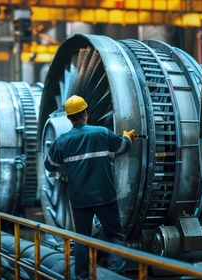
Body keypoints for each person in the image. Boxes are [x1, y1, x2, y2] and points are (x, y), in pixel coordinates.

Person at [44, 95, 135, 279]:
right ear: (86, 113)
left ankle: (81, 276)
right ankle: (116, 274)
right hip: (104, 196)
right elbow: (123, 147)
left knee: (82, 240)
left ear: (69, 118)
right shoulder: (101, 133)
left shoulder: (62, 141)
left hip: (80, 198)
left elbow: (49, 165)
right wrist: (128, 137)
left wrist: (68, 164)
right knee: (115, 235)